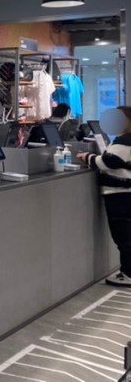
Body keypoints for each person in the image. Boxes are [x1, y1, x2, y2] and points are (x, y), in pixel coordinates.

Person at [77, 106, 131, 287]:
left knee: (123, 237)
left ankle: (128, 274)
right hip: (125, 193)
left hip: (120, 194)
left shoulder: (124, 141)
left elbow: (110, 161)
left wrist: (88, 157)